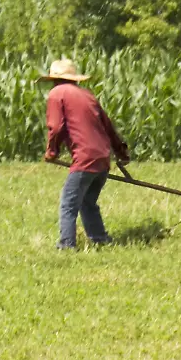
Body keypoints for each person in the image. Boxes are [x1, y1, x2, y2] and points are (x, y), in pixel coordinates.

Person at [38, 58, 131, 250]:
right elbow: (108, 126)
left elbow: (55, 127)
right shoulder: (87, 95)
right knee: (88, 202)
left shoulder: (57, 93)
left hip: (85, 158)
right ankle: (100, 239)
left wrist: (51, 151)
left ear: (54, 79)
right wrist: (120, 152)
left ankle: (66, 245)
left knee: (68, 202)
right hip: (103, 158)